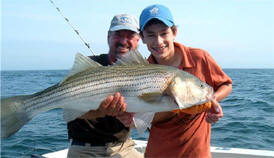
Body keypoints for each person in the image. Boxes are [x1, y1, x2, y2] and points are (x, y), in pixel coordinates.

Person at [139, 4, 233, 158]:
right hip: (158, 152)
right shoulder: (142, 70)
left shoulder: (199, 57)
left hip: (197, 153)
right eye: (150, 35)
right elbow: (144, 118)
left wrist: (211, 102)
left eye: (164, 33)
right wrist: (175, 105)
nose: (158, 41)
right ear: (142, 38)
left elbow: (226, 84)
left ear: (174, 32)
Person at [63, 14, 144, 158]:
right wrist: (102, 110)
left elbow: (142, 119)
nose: (124, 41)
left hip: (123, 148)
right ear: (108, 37)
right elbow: (70, 110)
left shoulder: (144, 71)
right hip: (84, 150)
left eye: (130, 36)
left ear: (138, 40)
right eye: (118, 35)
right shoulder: (90, 66)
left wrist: (133, 121)